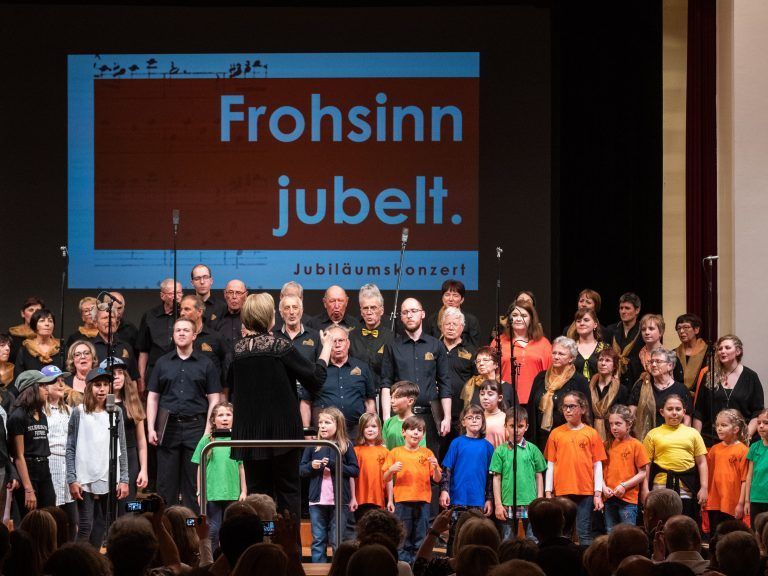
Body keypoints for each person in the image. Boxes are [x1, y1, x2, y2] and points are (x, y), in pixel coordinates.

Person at [228, 292, 331, 529]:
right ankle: (287, 552)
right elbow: (315, 379)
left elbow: (231, 384)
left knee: (257, 497)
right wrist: (324, 350)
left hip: (249, 436)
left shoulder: (238, 350)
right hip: (282, 435)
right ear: (269, 317)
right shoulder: (279, 345)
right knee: (288, 494)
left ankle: (259, 548)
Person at [147, 318, 222, 513]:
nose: (181, 333)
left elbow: (215, 399)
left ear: (194, 335)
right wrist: (150, 428)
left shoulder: (206, 363)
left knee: (194, 484)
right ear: (173, 335)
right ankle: (167, 531)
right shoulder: (162, 363)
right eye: (178, 330)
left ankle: (193, 532)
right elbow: (153, 397)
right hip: (167, 427)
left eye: (186, 330)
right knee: (166, 484)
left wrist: (208, 431)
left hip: (196, 426)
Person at [381, 297, 453, 457]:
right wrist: (386, 418)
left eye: (414, 311)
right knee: (400, 466)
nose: (409, 315)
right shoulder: (392, 346)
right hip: (401, 417)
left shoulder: (436, 345)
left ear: (422, 314)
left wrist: (446, 417)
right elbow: (386, 383)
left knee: (429, 466)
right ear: (401, 317)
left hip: (430, 417)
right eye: (405, 312)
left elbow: (444, 383)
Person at [66, 367, 129, 547]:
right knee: (86, 524)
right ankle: (77, 562)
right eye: (97, 385)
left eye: (105, 385)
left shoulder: (115, 412)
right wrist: (72, 478)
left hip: (107, 474)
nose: (102, 389)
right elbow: (70, 447)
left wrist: (124, 478)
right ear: (89, 388)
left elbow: (121, 446)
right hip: (84, 476)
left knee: (102, 524)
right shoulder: (79, 412)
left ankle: (93, 563)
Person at [544, 391, 607, 545]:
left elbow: (597, 464)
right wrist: (548, 491)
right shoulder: (555, 434)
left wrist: (597, 493)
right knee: (562, 533)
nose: (567, 410)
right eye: (565, 407)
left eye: (572, 406)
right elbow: (550, 464)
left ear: (583, 409)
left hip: (584, 491)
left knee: (584, 532)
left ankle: (584, 566)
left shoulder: (591, 433)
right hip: (562, 490)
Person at [300, 407, 359, 563]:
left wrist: (334, 464)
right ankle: (318, 570)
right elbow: (301, 470)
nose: (322, 426)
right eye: (320, 423)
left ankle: (337, 569)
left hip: (339, 501)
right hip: (317, 501)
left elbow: (354, 470)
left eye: (327, 422)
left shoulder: (346, 445)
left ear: (338, 424)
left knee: (336, 539)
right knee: (318, 539)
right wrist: (311, 466)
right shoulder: (313, 445)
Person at [301, 324, 376, 441]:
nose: (337, 345)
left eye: (341, 340)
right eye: (333, 341)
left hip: (356, 434)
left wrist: (370, 428)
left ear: (348, 343)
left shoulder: (363, 367)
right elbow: (305, 402)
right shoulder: (316, 370)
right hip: (325, 435)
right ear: (325, 344)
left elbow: (369, 402)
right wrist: (306, 431)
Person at [383, 415, 442, 563]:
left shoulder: (427, 453)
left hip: (423, 501)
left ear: (423, 434)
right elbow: (385, 478)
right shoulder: (395, 452)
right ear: (404, 432)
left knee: (420, 537)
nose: (416, 433)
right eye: (412, 429)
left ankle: (418, 566)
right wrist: (391, 470)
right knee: (403, 536)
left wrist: (435, 468)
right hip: (403, 501)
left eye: (420, 430)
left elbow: (437, 479)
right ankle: (404, 566)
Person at [642, 394, 708, 522]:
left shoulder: (693, 433)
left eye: (678, 409)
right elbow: (646, 464)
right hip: (660, 486)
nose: (674, 413)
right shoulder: (653, 434)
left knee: (683, 524)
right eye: (670, 409)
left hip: (686, 487)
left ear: (684, 412)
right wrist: (645, 488)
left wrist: (704, 487)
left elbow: (702, 463)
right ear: (662, 412)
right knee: (660, 524)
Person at [191, 400, 246, 550]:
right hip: (213, 493)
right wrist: (199, 491)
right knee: (214, 529)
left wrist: (244, 490)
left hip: (232, 492)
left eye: (228, 414)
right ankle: (212, 561)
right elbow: (199, 467)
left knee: (232, 529)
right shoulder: (206, 440)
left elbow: (241, 466)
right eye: (220, 415)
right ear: (213, 420)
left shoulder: (237, 439)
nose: (225, 418)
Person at [439, 404, 495, 551]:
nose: (474, 421)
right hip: (458, 499)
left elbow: (491, 476)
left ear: (483, 421)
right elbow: (447, 469)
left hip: (478, 501)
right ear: (463, 422)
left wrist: (489, 498)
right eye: (470, 418)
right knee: (455, 536)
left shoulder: (488, 447)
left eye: (478, 418)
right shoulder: (456, 443)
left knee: (475, 538)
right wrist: (445, 490)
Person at [693, 335, 764, 445]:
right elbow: (699, 411)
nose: (722, 351)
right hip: (711, 437)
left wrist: (746, 437)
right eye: (720, 349)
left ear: (738, 351)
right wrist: (696, 439)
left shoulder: (751, 377)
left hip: (741, 438)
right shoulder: (709, 375)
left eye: (727, 348)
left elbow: (757, 412)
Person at [8, 369, 59, 519]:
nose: (46, 390)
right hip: (28, 471)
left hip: (44, 469)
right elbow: (18, 456)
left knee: (49, 516)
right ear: (32, 389)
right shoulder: (18, 416)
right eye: (43, 386)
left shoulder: (41, 415)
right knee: (31, 519)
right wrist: (28, 488)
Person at [490, 406, 547, 540]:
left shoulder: (533, 450)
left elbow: (539, 476)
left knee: (533, 539)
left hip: (530, 503)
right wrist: (498, 504)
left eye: (520, 426)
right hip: (507, 503)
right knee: (507, 539)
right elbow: (496, 478)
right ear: (505, 426)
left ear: (526, 427)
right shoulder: (500, 451)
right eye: (511, 426)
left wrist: (539, 501)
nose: (516, 430)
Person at [529, 336, 590, 450]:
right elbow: (531, 409)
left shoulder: (579, 381)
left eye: (561, 354)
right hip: (540, 439)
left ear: (571, 358)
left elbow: (586, 413)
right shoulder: (540, 378)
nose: (556, 357)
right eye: (554, 353)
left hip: (568, 440)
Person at [274, 292, 322, 430]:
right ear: (281, 312)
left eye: (295, 307)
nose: (291, 312)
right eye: (287, 308)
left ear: (301, 311)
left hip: (310, 398)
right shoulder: (272, 336)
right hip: (281, 398)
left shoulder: (315, 336)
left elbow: (320, 369)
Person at [438, 307, 478, 456]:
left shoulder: (472, 351)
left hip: (462, 412)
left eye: (455, 324)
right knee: (438, 455)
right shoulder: (434, 347)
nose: (450, 327)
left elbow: (478, 381)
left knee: (460, 455)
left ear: (462, 327)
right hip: (436, 413)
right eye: (447, 324)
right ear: (442, 326)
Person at [495, 301, 551, 406]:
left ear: (531, 319)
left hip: (537, 400)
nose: (519, 319)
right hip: (505, 400)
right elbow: (491, 373)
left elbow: (551, 374)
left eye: (524, 315)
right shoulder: (498, 341)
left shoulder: (544, 343)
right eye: (515, 315)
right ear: (509, 319)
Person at [109, 358, 148, 506]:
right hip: (106, 456)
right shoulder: (100, 403)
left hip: (130, 457)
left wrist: (143, 469)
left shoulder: (132, 402)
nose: (117, 376)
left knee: (129, 505)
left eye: (121, 373)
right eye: (113, 373)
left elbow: (141, 441)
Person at [602, 404, 648, 532]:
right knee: (610, 532)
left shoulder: (636, 445)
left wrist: (624, 485)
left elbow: (642, 473)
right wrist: (603, 487)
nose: (614, 428)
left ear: (629, 424)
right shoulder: (606, 445)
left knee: (628, 534)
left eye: (618, 424)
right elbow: (599, 470)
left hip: (628, 500)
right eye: (611, 424)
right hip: (609, 497)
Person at [44, 366, 77, 540]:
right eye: (55, 380)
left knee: (71, 519)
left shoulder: (70, 410)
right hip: (51, 465)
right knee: (53, 515)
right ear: (45, 386)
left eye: (62, 380)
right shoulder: (40, 411)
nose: (60, 383)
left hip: (69, 466)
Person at [630, 348, 692, 440]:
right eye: (652, 362)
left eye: (658, 361)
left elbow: (687, 419)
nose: (654, 365)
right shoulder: (642, 385)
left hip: (673, 440)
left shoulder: (681, 389)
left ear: (670, 366)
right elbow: (631, 413)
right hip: (645, 438)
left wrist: (678, 439)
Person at [705, 409, 748, 537]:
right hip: (714, 503)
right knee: (715, 538)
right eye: (717, 425)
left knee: (731, 539)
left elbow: (745, 480)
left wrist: (741, 504)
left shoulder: (743, 450)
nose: (719, 429)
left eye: (724, 425)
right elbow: (709, 475)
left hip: (732, 503)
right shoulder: (714, 450)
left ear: (735, 429)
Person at [137, 278, 183, 385]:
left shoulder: (185, 315)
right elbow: (143, 351)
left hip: (181, 370)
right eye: (172, 294)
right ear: (162, 296)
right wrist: (142, 379)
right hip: (155, 372)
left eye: (180, 293)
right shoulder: (150, 316)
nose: (177, 297)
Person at [627, 314, 684, 398]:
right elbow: (630, 389)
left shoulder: (671, 357)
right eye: (643, 329)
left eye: (651, 329)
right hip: (640, 403)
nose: (646, 332)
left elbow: (679, 385)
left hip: (667, 402)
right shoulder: (634, 359)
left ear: (660, 332)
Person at [178, 294, 229, 389]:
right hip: (184, 392)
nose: (182, 313)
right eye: (181, 309)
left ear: (199, 312)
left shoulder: (215, 338)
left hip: (211, 393)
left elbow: (226, 366)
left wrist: (224, 393)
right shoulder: (178, 338)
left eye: (187, 309)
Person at [350, 412, 394, 521]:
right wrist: (353, 497)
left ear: (379, 429)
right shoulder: (355, 451)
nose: (370, 429)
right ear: (361, 430)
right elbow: (351, 476)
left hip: (379, 499)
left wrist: (390, 500)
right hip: (360, 499)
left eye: (374, 426)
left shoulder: (385, 452)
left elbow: (389, 478)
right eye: (366, 427)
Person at [349, 283, 394, 381]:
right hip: (357, 391)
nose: (369, 312)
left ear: (381, 311)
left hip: (382, 390)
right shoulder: (351, 337)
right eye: (365, 308)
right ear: (361, 311)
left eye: (373, 308)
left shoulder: (392, 337)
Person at [89, 307, 140, 383]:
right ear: (95, 323)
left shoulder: (126, 347)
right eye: (105, 318)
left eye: (112, 317)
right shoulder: (90, 348)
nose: (109, 321)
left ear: (117, 322)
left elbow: (133, 379)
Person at [426, 279, 482, 348]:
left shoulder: (471, 320)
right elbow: (427, 346)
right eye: (447, 295)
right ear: (442, 298)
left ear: (462, 300)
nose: (450, 299)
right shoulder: (433, 319)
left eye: (455, 295)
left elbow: (474, 348)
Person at [589, 348, 629, 442]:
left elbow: (623, 416)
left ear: (614, 366)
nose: (603, 363)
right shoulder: (589, 387)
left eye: (607, 360)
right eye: (600, 360)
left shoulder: (621, 389)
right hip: (591, 434)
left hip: (613, 436)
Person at [605, 293, 642, 388]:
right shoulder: (611, 330)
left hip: (636, 381)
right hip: (614, 380)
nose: (623, 311)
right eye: (621, 308)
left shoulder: (643, 331)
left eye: (627, 308)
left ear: (637, 310)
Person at [14, 308, 61, 372]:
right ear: (34, 325)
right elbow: (19, 376)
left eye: (50, 321)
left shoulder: (60, 347)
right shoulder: (25, 350)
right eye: (42, 321)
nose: (47, 324)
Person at [382, 380, 424, 449]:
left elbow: (421, 452)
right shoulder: (388, 423)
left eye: (397, 397)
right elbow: (384, 448)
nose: (392, 401)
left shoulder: (418, 424)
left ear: (410, 401)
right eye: (391, 397)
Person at [673, 314, 708, 394]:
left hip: (701, 398)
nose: (681, 331)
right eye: (679, 328)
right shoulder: (673, 354)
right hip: (678, 398)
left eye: (686, 327)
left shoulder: (708, 352)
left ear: (696, 330)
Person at [745, 408, 768, 526]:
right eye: (759, 423)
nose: (761, 426)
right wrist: (747, 501)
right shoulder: (754, 447)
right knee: (757, 533)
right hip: (756, 499)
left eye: (766, 423)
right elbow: (749, 475)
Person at [212, 279, 248, 350]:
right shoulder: (215, 318)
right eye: (230, 292)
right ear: (225, 294)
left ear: (246, 295)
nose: (234, 296)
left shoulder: (251, 319)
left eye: (238, 293)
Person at [6, 296, 44, 363]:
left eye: (38, 311)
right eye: (31, 310)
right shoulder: (12, 335)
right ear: (23, 313)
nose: (34, 314)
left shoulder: (46, 335)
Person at [572, 309, 607, 381]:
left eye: (586, 320)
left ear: (595, 325)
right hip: (574, 390)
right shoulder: (570, 348)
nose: (582, 323)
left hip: (598, 390)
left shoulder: (605, 348)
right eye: (578, 321)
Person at [62, 340, 97, 406]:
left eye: (86, 353)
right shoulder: (65, 383)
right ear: (72, 360)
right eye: (77, 354)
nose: (83, 357)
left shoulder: (101, 379)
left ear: (93, 357)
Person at [479, 380, 508, 448]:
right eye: (482, 394)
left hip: (499, 457)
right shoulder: (477, 418)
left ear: (500, 398)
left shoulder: (505, 419)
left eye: (490, 394)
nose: (485, 397)